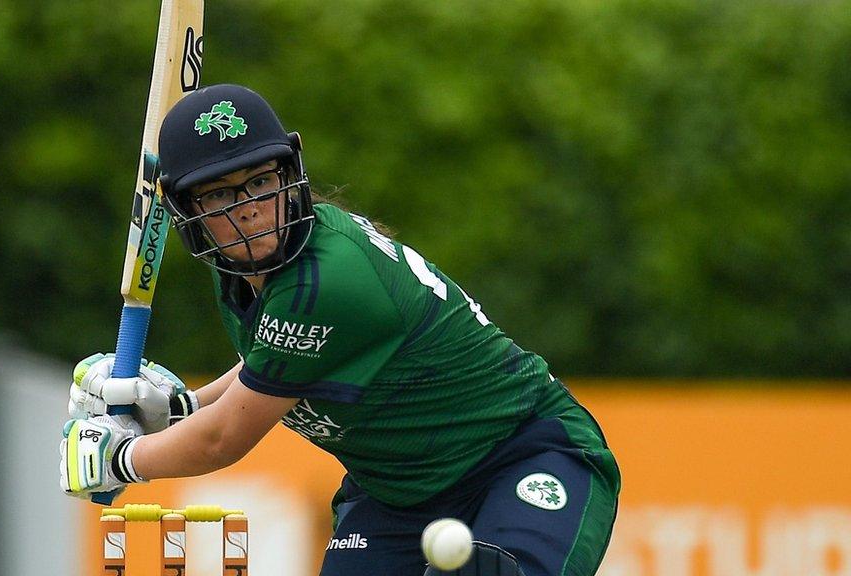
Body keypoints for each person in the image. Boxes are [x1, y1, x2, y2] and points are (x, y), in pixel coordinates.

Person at [60, 84, 620, 576]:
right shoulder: (244, 269)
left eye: (260, 182)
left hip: (522, 455)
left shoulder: (325, 282)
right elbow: (275, 363)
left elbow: (223, 438)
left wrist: (121, 459)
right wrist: (184, 407)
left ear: (289, 175)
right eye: (221, 195)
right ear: (189, 210)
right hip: (396, 495)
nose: (250, 210)